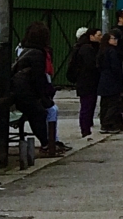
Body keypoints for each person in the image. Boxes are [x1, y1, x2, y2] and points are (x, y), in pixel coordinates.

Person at [10, 21, 64, 157]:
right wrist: (44, 97)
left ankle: (49, 142)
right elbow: (38, 78)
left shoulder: (26, 50)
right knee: (41, 113)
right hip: (26, 93)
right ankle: (48, 144)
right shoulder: (38, 54)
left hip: (20, 91)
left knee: (41, 112)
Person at [66, 28, 102, 140]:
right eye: (98, 35)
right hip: (87, 82)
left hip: (87, 82)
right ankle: (85, 130)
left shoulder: (87, 47)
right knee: (87, 106)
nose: (100, 37)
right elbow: (91, 65)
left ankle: (87, 127)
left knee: (89, 105)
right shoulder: (87, 49)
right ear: (91, 36)